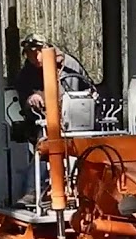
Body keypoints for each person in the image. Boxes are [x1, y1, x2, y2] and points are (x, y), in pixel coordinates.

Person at [11, 33, 95, 206]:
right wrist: (30, 99)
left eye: (36, 54)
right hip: (44, 121)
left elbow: (83, 92)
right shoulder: (28, 71)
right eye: (29, 55)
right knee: (44, 144)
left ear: (46, 49)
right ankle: (33, 191)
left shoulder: (69, 65)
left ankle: (86, 191)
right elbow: (22, 92)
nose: (33, 59)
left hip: (75, 120)